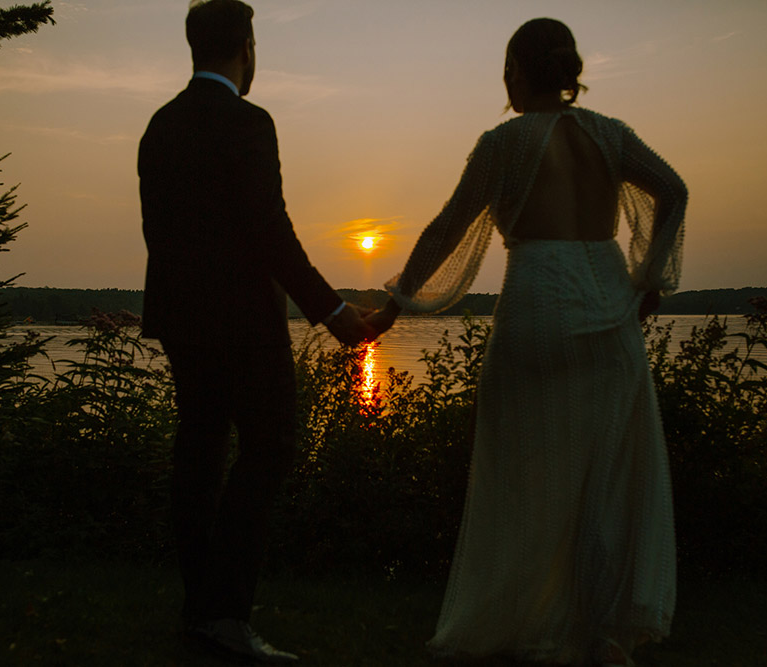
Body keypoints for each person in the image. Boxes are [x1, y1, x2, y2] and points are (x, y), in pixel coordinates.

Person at [365, 18, 687, 667]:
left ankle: (514, 618)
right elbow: (674, 191)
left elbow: (445, 230)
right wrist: (651, 279)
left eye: (505, 66)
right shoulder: (610, 135)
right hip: (607, 307)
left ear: (517, 70)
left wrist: (394, 304)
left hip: (537, 302)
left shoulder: (503, 144)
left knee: (520, 471)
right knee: (605, 478)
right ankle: (598, 633)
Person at [137, 1, 374, 663]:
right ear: (245, 47)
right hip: (243, 321)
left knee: (199, 453)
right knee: (269, 448)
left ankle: (200, 609)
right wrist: (333, 314)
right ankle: (225, 613)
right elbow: (271, 231)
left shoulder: (160, 126)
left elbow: (162, 234)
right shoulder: (249, 122)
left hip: (183, 319)